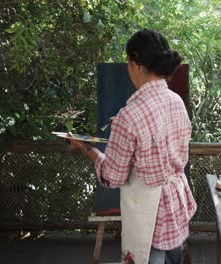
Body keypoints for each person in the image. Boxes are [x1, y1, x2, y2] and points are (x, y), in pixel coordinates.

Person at [69, 29, 197, 264]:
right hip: (176, 204)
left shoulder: (129, 116)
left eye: (128, 62)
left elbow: (113, 177)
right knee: (175, 259)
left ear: (136, 63)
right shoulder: (176, 101)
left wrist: (90, 150)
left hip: (151, 215)